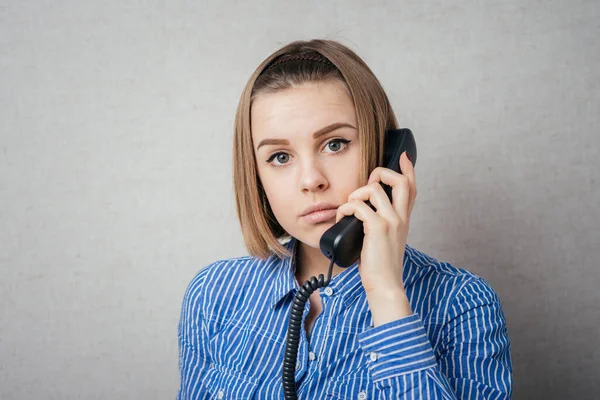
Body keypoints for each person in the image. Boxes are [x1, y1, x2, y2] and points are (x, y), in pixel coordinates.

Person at [177, 39, 512, 399]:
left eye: (334, 144)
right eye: (279, 157)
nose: (311, 180)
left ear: (387, 154)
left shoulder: (464, 305)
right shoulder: (213, 295)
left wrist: (386, 294)